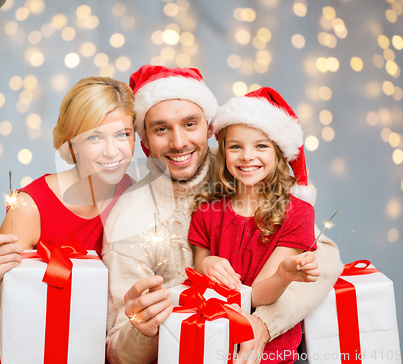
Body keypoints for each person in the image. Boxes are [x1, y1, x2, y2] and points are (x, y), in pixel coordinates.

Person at [102, 65, 343, 364]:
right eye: (161, 128)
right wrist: (144, 329)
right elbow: (117, 352)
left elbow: (325, 254)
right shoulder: (130, 220)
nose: (178, 142)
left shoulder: (242, 167)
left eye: (190, 124)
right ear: (145, 141)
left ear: (209, 127)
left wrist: (265, 323)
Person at [0, 77, 136, 364]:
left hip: (83, 340)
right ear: (72, 144)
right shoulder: (30, 207)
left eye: (122, 134)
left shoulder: (132, 195)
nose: (112, 151)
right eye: (94, 137)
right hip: (16, 342)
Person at [190, 87, 320, 364]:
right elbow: (197, 270)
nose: (247, 156)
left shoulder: (297, 214)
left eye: (261, 146)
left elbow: (258, 296)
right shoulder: (206, 212)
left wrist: (284, 276)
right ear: (223, 152)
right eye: (235, 146)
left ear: (279, 153)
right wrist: (208, 263)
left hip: (271, 352)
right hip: (211, 341)